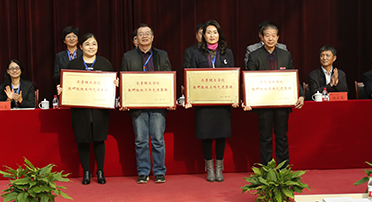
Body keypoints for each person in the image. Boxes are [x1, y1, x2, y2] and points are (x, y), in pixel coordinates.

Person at [245, 23, 305, 167]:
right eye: (267, 35)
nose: (270, 38)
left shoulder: (285, 54)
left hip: (282, 104)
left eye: (273, 35)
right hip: (263, 105)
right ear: (261, 37)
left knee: (282, 137)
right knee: (265, 138)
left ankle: (283, 170)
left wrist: (301, 95)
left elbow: (292, 76)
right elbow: (249, 80)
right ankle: (267, 170)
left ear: (278, 37)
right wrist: (247, 100)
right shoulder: (254, 55)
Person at [185, 20, 238, 182]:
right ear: (203, 35)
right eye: (208, 32)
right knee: (206, 134)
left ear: (219, 34)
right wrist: (190, 98)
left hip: (222, 101)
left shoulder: (227, 53)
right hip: (204, 101)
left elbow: (232, 77)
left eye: (215, 32)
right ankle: (209, 168)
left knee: (221, 134)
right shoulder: (196, 53)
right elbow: (191, 77)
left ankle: (219, 167)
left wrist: (234, 97)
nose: (212, 35)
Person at [120, 24, 173, 184]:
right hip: (137, 106)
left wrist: (170, 100)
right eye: (141, 34)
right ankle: (143, 172)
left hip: (158, 104)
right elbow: (124, 80)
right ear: (136, 38)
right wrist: (124, 100)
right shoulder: (128, 56)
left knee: (158, 139)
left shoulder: (162, 55)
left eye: (147, 33)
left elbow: (168, 79)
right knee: (140, 140)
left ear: (152, 37)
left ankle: (159, 172)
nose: (144, 36)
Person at [66, 34, 115, 185]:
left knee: (99, 140)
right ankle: (86, 172)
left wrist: (115, 84)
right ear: (81, 47)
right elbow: (68, 84)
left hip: (100, 109)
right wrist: (63, 89)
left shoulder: (105, 63)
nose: (91, 47)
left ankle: (100, 171)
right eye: (87, 44)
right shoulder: (73, 65)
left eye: (94, 44)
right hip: (80, 110)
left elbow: (111, 84)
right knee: (83, 140)